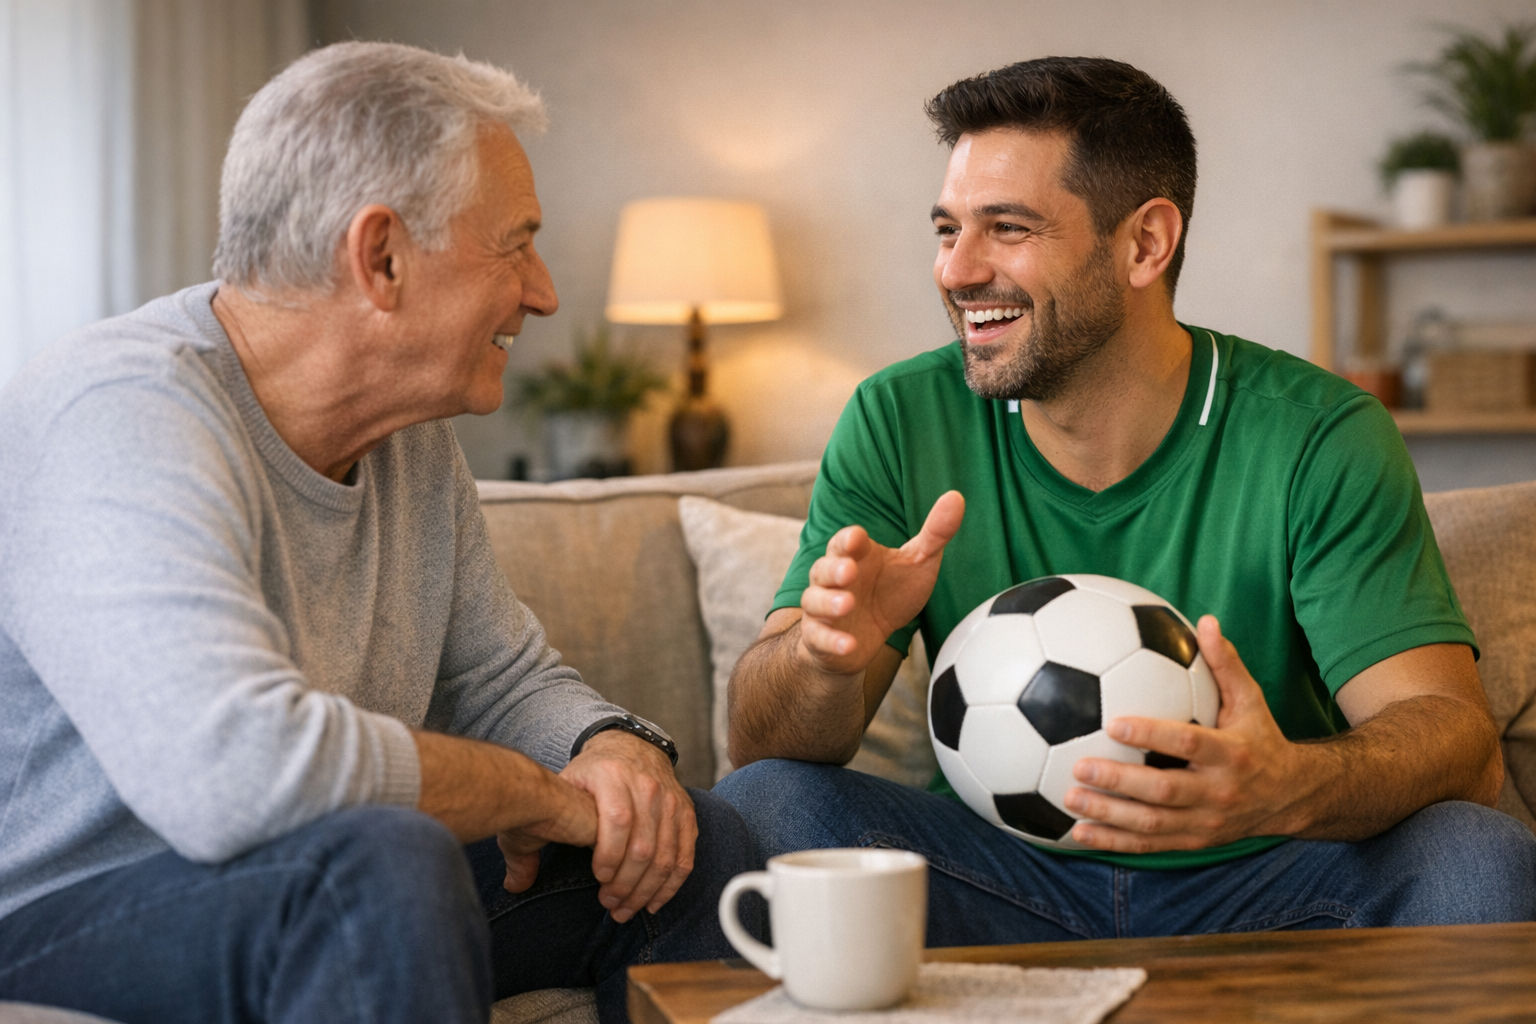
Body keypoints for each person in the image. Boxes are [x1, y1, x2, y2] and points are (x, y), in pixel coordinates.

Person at [0, 41, 756, 1024]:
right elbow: (234, 774)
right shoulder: (118, 410)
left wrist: (607, 750)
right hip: (66, 922)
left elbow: (498, 675)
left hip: (317, 886)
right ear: (382, 256)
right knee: (377, 865)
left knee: (690, 846)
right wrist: (534, 793)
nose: (544, 291)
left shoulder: (411, 440)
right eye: (515, 242)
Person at [715, 56, 1536, 943]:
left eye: (1009, 228)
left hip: (1261, 877)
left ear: (1146, 243)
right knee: (763, 807)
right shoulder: (899, 417)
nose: (956, 271)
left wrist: (1285, 786)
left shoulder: (1318, 434)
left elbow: (1457, 737)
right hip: (990, 875)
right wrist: (823, 659)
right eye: (948, 229)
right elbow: (761, 743)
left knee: (1475, 857)